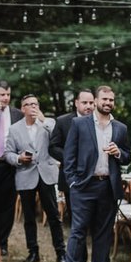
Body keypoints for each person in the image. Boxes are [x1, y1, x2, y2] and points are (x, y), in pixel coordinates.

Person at [52, 85, 131, 262]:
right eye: (104, 99)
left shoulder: (120, 128)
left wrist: (118, 153)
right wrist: (73, 182)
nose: (108, 103)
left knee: (103, 231)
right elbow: (69, 156)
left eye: (111, 100)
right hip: (84, 186)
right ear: (95, 101)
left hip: (108, 186)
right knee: (78, 230)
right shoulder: (79, 124)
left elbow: (127, 156)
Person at [5, 94, 65, 262]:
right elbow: (8, 153)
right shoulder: (15, 129)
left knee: (53, 215)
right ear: (23, 109)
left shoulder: (49, 123)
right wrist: (18, 158)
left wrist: (43, 120)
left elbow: (57, 138)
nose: (32, 107)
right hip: (25, 175)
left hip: (46, 175)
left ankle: (61, 252)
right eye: (28, 104)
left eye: (35, 104)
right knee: (29, 217)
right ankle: (33, 252)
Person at [0, 80, 24, 256]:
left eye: (8, 94)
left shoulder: (17, 114)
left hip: (8, 165)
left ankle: (3, 241)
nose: (6, 98)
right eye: (2, 94)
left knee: (7, 206)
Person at [49, 88, 95, 224]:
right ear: (76, 103)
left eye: (91, 103)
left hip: (94, 177)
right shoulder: (63, 121)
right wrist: (72, 158)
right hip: (71, 177)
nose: (88, 106)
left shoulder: (99, 122)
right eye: (84, 102)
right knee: (76, 219)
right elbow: (52, 147)